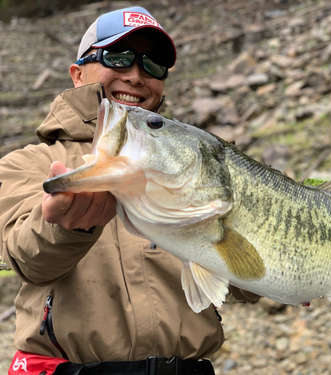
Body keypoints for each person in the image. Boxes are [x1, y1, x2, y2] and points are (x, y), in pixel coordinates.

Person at [0, 6, 258, 375]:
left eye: (153, 65)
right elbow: (27, 259)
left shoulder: (197, 162)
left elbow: (245, 282)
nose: (136, 76)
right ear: (78, 74)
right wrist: (64, 227)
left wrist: (304, 273)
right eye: (117, 58)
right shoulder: (28, 163)